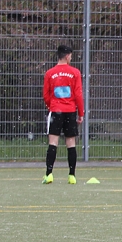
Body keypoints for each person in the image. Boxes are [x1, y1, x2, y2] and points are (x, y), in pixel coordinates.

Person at [42, 45, 84, 184]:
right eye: (70, 56)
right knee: (71, 143)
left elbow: (46, 95)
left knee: (53, 142)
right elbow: (78, 94)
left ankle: (49, 174)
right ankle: (72, 176)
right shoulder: (75, 72)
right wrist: (80, 113)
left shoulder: (50, 73)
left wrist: (52, 106)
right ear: (67, 56)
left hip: (56, 111)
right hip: (70, 111)